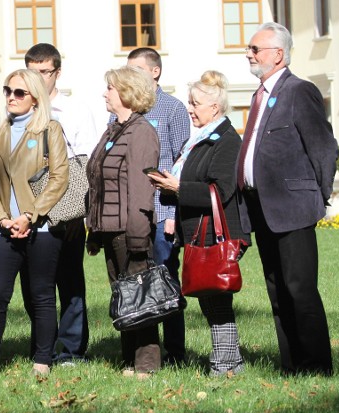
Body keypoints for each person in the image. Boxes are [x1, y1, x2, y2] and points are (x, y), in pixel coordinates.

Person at [237, 22, 337, 376]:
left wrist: (317, 195)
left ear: (278, 54)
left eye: (255, 49)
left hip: (292, 208)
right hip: (261, 207)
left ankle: (316, 366)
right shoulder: (259, 95)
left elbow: (324, 147)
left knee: (300, 289)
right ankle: (292, 364)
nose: (249, 54)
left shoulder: (299, 90)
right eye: (250, 49)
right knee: (277, 291)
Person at [147, 71, 249, 375]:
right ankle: (231, 362)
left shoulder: (226, 140)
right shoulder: (202, 138)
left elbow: (220, 190)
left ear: (214, 108)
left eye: (195, 104)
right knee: (210, 298)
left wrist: (177, 188)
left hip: (219, 233)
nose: (190, 109)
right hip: (199, 230)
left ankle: (224, 364)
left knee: (217, 298)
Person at [0, 69, 69, 378]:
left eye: (19, 92)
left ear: (34, 97)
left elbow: (59, 179)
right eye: (7, 91)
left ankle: (42, 362)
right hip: (6, 230)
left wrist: (31, 216)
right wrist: (2, 218)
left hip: (41, 229)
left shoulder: (50, 130)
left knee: (42, 295)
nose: (11, 97)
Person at [24, 43, 100, 364]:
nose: (39, 79)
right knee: (33, 284)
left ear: (57, 72)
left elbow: (89, 161)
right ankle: (43, 344)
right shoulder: (19, 108)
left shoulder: (75, 110)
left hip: (67, 206)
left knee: (70, 281)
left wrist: (84, 214)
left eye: (45, 72)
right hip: (29, 206)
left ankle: (71, 349)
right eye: (33, 72)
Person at [87, 66, 160, 378]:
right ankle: (129, 359)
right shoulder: (114, 130)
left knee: (140, 298)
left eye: (111, 89)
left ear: (128, 93)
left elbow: (142, 188)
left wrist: (139, 235)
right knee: (124, 297)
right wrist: (94, 227)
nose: (105, 93)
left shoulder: (141, 131)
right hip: (109, 229)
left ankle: (146, 364)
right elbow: (98, 180)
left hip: (130, 230)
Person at [124, 48, 190, 364]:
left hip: (163, 212)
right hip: (132, 214)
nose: (130, 75)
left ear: (155, 72)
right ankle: (140, 351)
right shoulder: (122, 110)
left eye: (137, 69)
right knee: (135, 281)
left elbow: (183, 161)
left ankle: (176, 351)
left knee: (166, 280)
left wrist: (174, 214)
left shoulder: (173, 109)